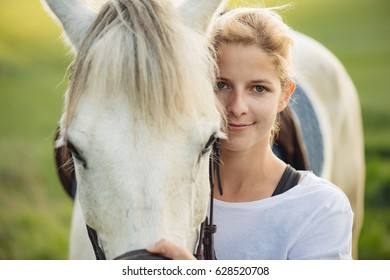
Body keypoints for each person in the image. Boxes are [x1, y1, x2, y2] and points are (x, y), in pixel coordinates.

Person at [147, 7, 353, 260]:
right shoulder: (158, 200)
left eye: (258, 88)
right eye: (220, 85)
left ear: (285, 96)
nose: (237, 107)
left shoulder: (321, 208)